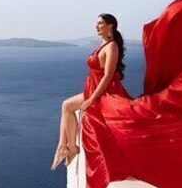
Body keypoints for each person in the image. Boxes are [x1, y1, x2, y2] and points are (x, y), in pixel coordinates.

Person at [51, 13, 130, 170]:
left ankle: (67, 148)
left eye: (100, 23)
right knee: (66, 106)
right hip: (92, 88)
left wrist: (91, 99)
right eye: (97, 23)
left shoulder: (112, 46)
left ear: (110, 26)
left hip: (103, 91)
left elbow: (107, 76)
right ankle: (67, 146)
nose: (96, 26)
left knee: (67, 105)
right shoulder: (103, 44)